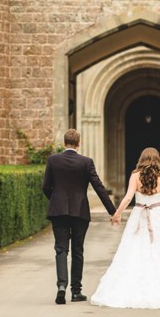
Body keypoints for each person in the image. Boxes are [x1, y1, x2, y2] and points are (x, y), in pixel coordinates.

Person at [91, 143, 160, 309]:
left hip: (138, 216)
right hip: (158, 216)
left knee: (134, 248)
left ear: (141, 159)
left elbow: (128, 198)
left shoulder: (135, 175)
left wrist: (117, 214)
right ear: (157, 159)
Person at [42, 128, 117, 305]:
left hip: (58, 211)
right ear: (79, 144)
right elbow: (98, 186)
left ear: (64, 143)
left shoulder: (53, 160)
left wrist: (56, 200)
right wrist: (112, 211)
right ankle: (76, 292)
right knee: (78, 250)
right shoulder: (86, 162)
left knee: (61, 249)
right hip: (80, 211)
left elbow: (45, 187)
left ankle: (61, 286)